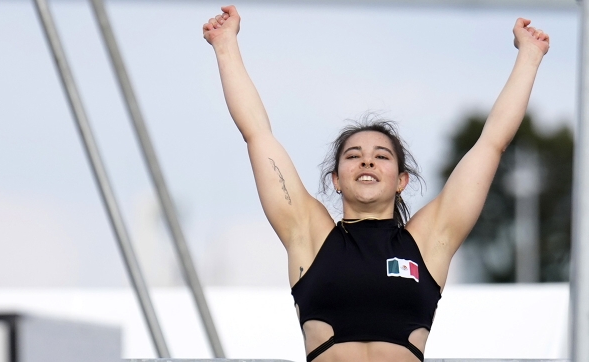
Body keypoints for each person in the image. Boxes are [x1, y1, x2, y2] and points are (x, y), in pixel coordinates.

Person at [203, 6, 549, 362]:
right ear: (335, 179)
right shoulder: (308, 235)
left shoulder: (429, 242)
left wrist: (530, 55)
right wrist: (225, 44)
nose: (367, 160)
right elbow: (257, 134)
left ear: (402, 181)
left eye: (382, 156)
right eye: (353, 155)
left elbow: (492, 143)